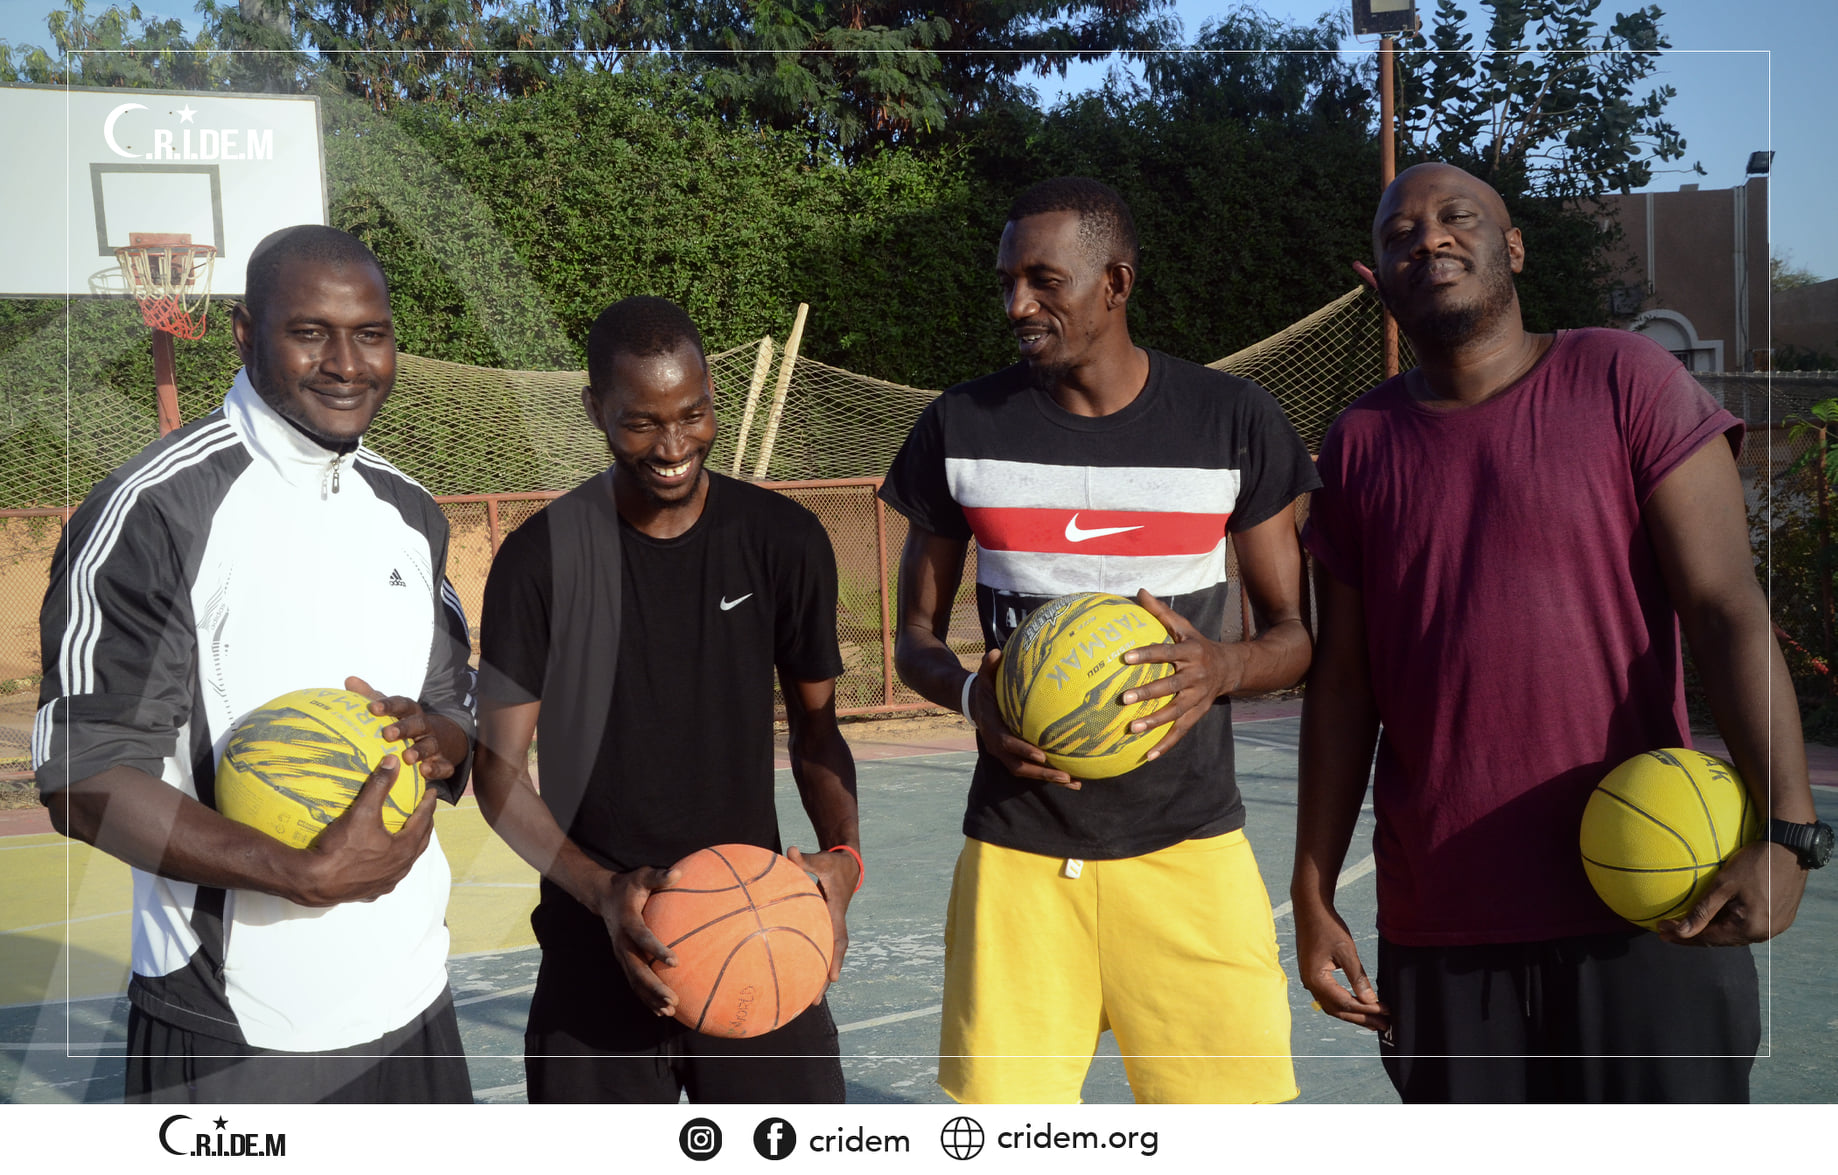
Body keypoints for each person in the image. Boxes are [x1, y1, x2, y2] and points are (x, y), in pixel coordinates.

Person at [1293, 161, 1827, 1102]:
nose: (1429, 238)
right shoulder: (1360, 441)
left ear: (1515, 247)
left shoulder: (1624, 376)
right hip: (1444, 920)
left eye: (1458, 217)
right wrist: (1313, 885)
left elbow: (1726, 607)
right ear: (1376, 275)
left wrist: (1788, 831)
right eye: (1398, 234)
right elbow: (1342, 683)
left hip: (1656, 900)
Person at [881, 176, 1317, 1104]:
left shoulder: (1233, 422)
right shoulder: (957, 427)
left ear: (1115, 283)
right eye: (1006, 281)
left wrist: (1223, 667)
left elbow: (1294, 636)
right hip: (1018, 861)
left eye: (1045, 281)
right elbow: (913, 638)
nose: (1017, 305)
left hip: (1191, 855)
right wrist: (972, 700)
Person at [33, 225, 477, 1103]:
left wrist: (443, 740)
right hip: (236, 1024)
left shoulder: (409, 512)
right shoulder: (155, 510)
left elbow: (452, 712)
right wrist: (298, 872)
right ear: (244, 333)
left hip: (414, 997)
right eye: (310, 332)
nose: (347, 363)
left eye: (371, 334)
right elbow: (82, 775)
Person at [472, 295, 861, 1104]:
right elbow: (498, 770)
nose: (674, 444)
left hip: (759, 932)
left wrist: (843, 860)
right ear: (595, 410)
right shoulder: (539, 560)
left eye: (693, 413)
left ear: (712, 395)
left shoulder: (783, 542)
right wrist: (604, 892)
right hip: (593, 954)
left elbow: (818, 732)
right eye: (642, 422)